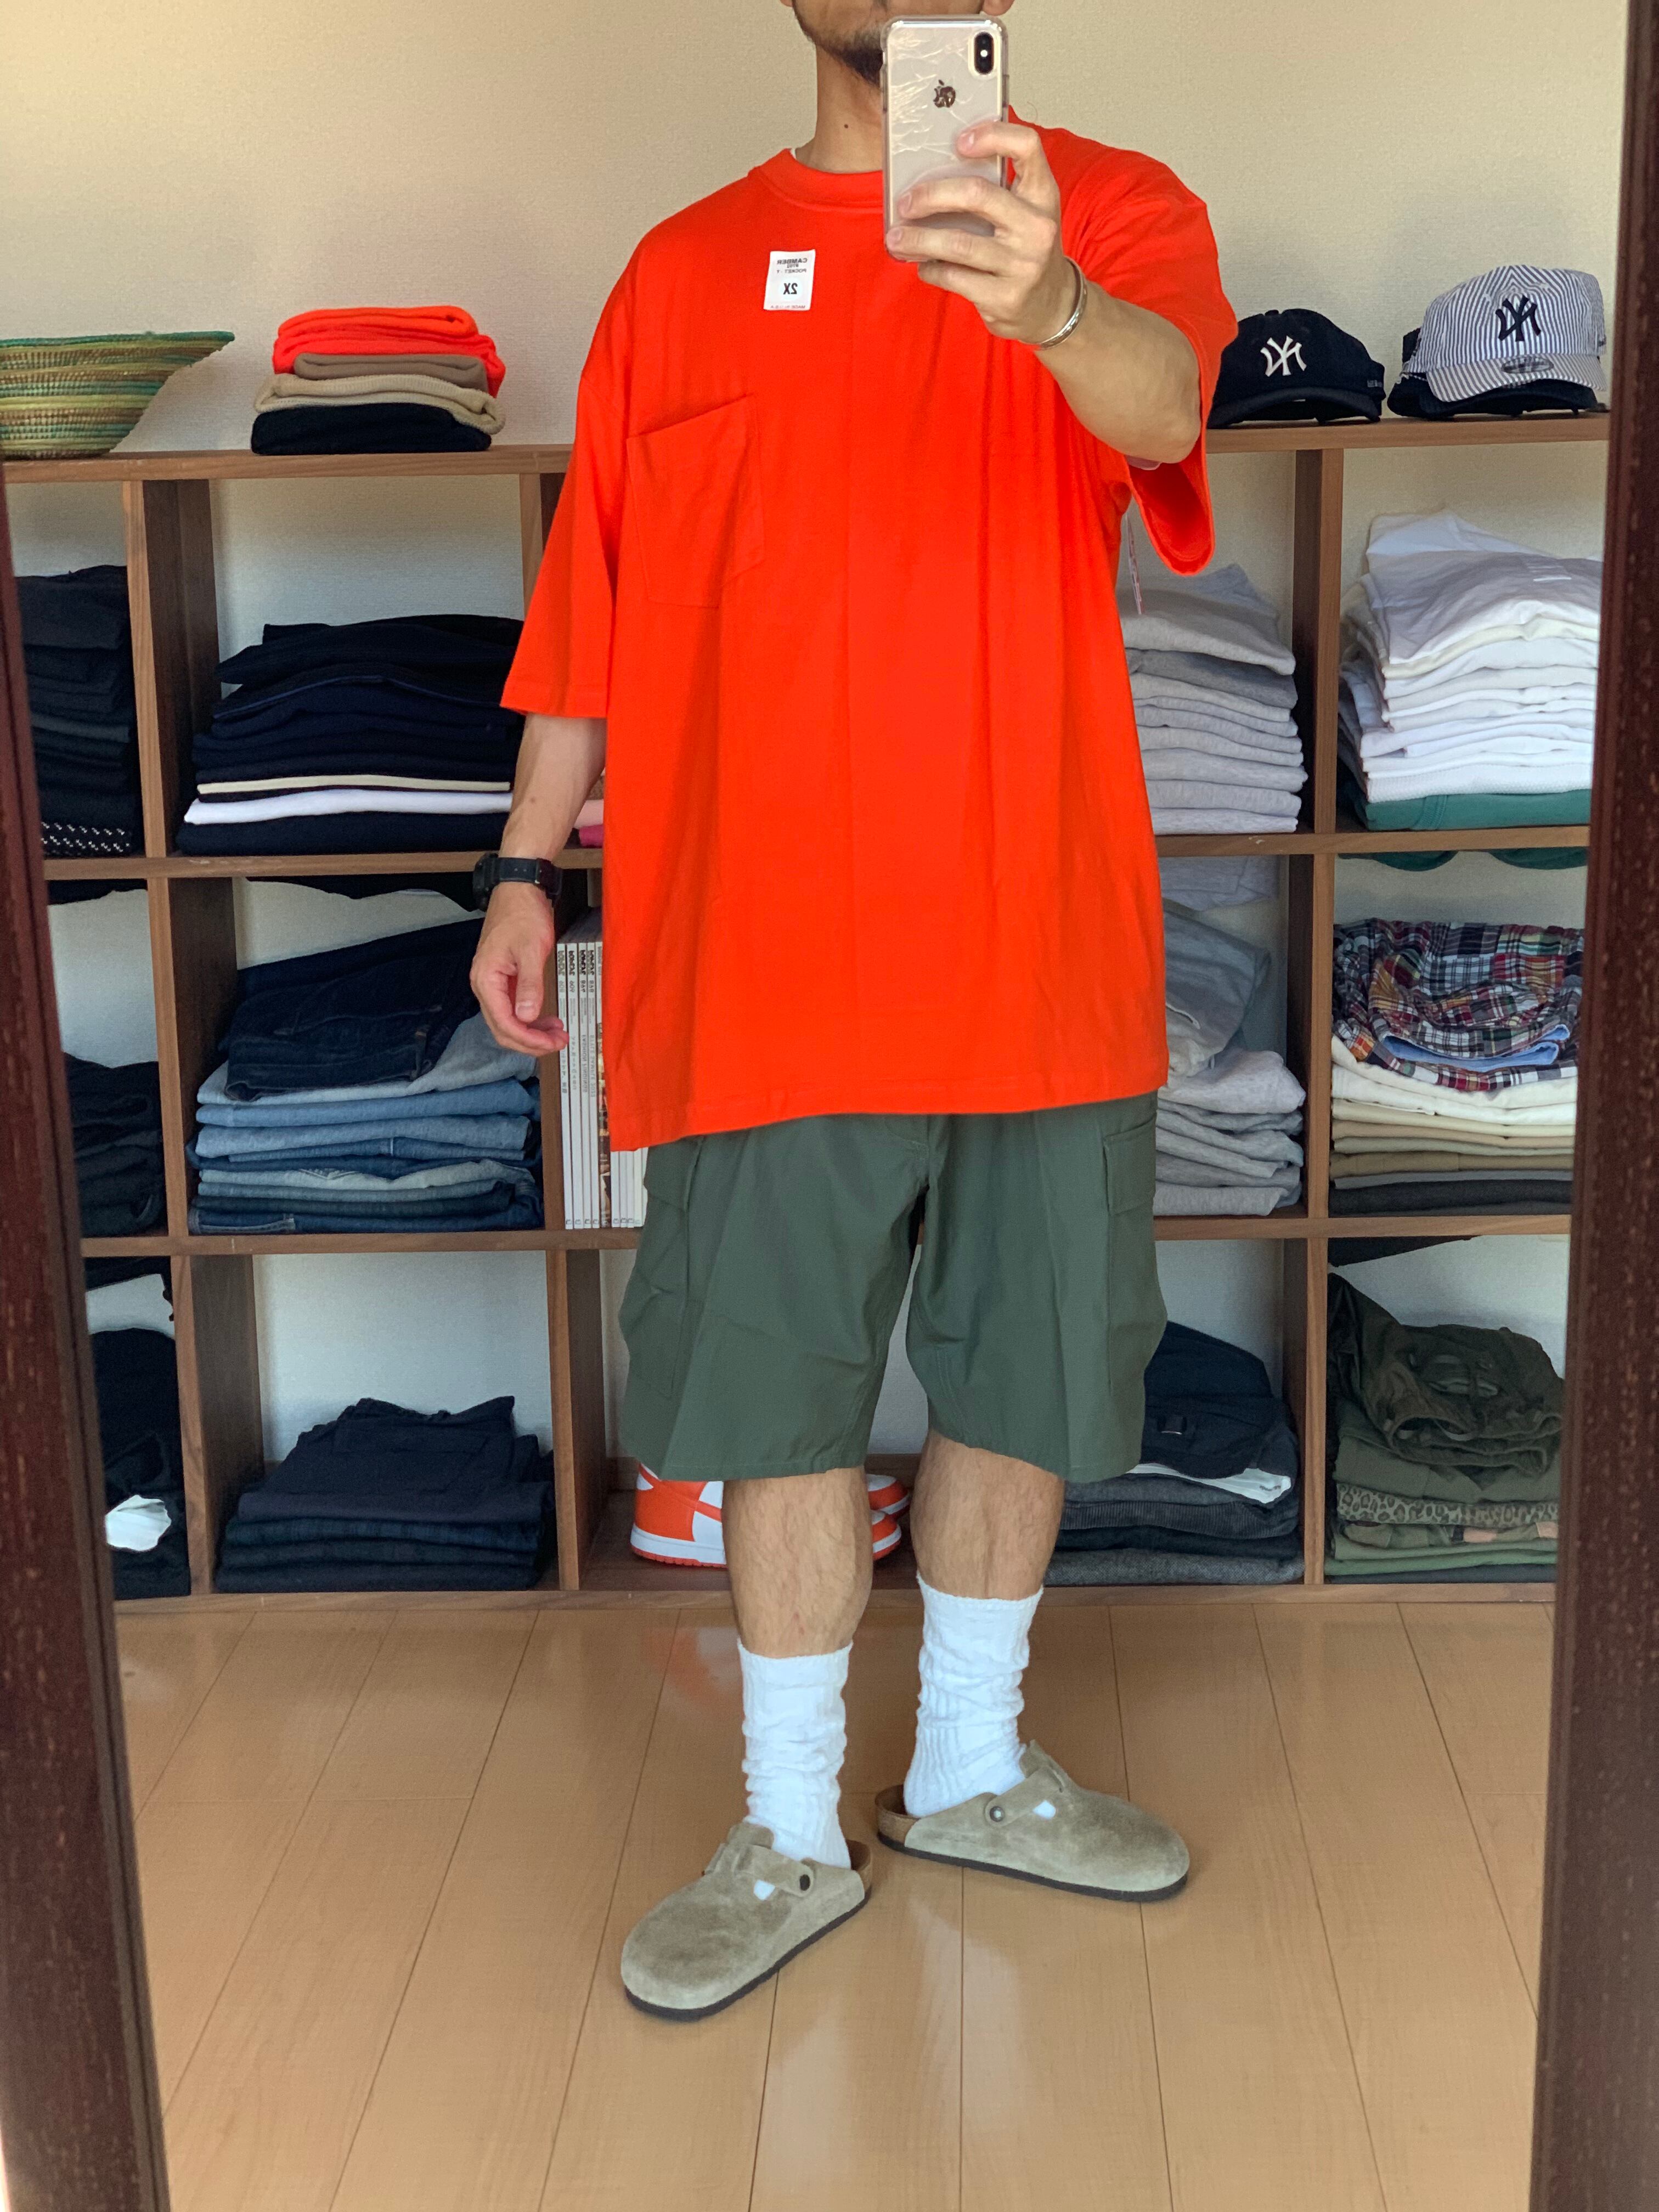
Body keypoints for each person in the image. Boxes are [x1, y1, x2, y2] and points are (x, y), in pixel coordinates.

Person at [472, 0, 1236, 2019]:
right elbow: (593, 612)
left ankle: (972, 1767)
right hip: (764, 948)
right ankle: (792, 1825)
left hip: (1037, 932)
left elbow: (1166, 412)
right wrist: (524, 866)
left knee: (1027, 1372)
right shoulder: (678, 274)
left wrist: (1049, 302)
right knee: (773, 1397)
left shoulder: (1109, 208)